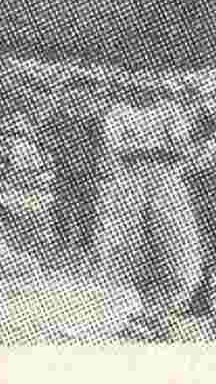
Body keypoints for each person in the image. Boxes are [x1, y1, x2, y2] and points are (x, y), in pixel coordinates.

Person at [97, 80, 203, 340]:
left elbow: (183, 149)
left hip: (163, 184)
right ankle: (136, 312)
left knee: (168, 242)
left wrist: (152, 151)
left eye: (150, 83)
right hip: (130, 186)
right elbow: (115, 149)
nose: (144, 88)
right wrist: (150, 150)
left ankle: (157, 314)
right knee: (130, 245)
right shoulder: (119, 112)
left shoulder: (170, 110)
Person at [40, 80, 108, 265]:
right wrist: (53, 153)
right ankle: (59, 245)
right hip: (64, 170)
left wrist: (99, 166)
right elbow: (44, 138)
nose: (77, 98)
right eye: (73, 93)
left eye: (83, 94)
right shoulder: (58, 118)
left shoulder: (93, 121)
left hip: (88, 172)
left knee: (86, 210)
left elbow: (100, 146)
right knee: (61, 208)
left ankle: (84, 248)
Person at [183, 100, 216, 317]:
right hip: (204, 197)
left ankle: (202, 298)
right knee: (206, 249)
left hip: (205, 195)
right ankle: (201, 299)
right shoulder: (200, 147)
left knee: (207, 250)